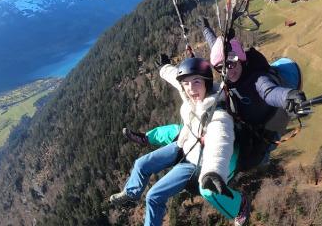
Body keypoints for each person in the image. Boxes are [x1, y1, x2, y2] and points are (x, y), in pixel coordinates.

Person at [122, 18, 307, 226]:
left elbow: (269, 93)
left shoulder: (252, 83)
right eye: (221, 67)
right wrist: (203, 31)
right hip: (192, 148)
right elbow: (184, 75)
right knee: (171, 143)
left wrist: (289, 95)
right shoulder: (200, 88)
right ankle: (141, 164)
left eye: (232, 63)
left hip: (221, 154)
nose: (228, 69)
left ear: (241, 59)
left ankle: (238, 206)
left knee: (206, 188)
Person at [110, 57, 241, 226]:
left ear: (207, 83)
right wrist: (164, 68)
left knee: (154, 196)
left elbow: (220, 141)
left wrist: (214, 172)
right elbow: (176, 78)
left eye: (196, 82)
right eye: (186, 84)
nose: (190, 88)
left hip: (195, 163)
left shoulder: (218, 114)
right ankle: (131, 192)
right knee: (141, 164)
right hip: (183, 145)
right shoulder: (190, 96)